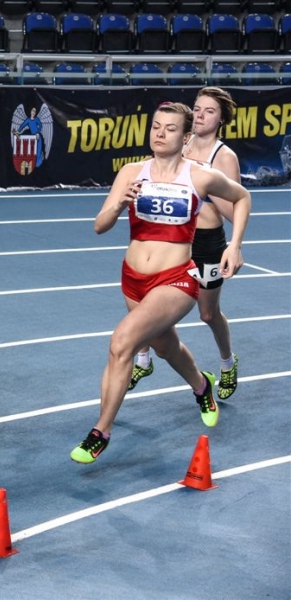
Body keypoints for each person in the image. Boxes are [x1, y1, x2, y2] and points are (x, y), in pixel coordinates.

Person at [70, 101, 251, 464]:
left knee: (122, 342)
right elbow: (99, 225)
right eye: (156, 126)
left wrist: (235, 245)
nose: (160, 134)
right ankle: (202, 386)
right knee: (166, 347)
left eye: (170, 129)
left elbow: (242, 196)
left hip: (176, 279)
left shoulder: (200, 176)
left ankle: (101, 431)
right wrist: (118, 204)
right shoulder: (131, 172)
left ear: (185, 137)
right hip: (133, 278)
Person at [128, 87, 246, 401]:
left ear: (221, 119)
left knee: (208, 314)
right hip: (173, 239)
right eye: (198, 108)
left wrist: (201, 189)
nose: (201, 115)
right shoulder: (180, 141)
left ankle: (227, 361)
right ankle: (142, 358)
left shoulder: (223, 157)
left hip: (206, 243)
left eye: (209, 111)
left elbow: (235, 208)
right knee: (146, 298)